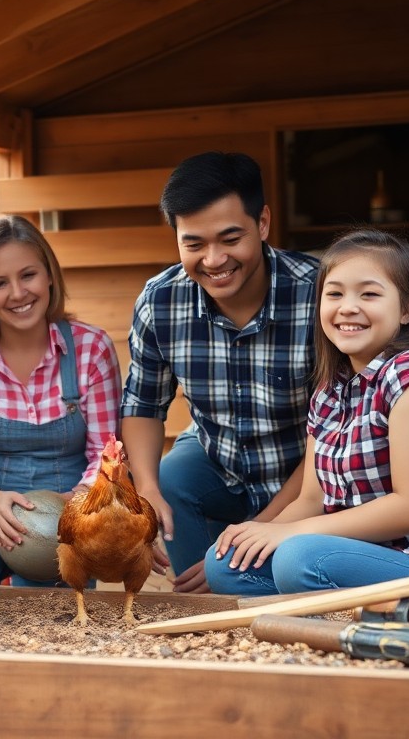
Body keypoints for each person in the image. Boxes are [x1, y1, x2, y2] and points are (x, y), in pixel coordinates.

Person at [205, 229, 409, 595]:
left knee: (300, 558)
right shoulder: (329, 391)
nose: (348, 307)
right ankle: (325, 621)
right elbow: (311, 500)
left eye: (369, 294)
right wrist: (264, 531)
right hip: (354, 555)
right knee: (226, 561)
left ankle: (359, 624)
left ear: (408, 308)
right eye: (334, 293)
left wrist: (291, 534)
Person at [121, 151, 320, 593]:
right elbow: (142, 403)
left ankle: (231, 577)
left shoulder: (319, 295)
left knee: (247, 570)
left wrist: (248, 538)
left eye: (230, 239)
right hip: (219, 459)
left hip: (309, 476)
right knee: (171, 477)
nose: (214, 260)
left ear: (262, 223)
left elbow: (333, 444)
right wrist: (147, 490)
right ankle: (202, 601)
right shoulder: (160, 301)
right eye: (194, 244)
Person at [0, 215, 121, 586]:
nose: (18, 294)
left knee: (53, 601)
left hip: (70, 511)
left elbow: (105, 452)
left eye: (28, 275)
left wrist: (73, 505)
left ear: (49, 274)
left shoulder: (91, 349)